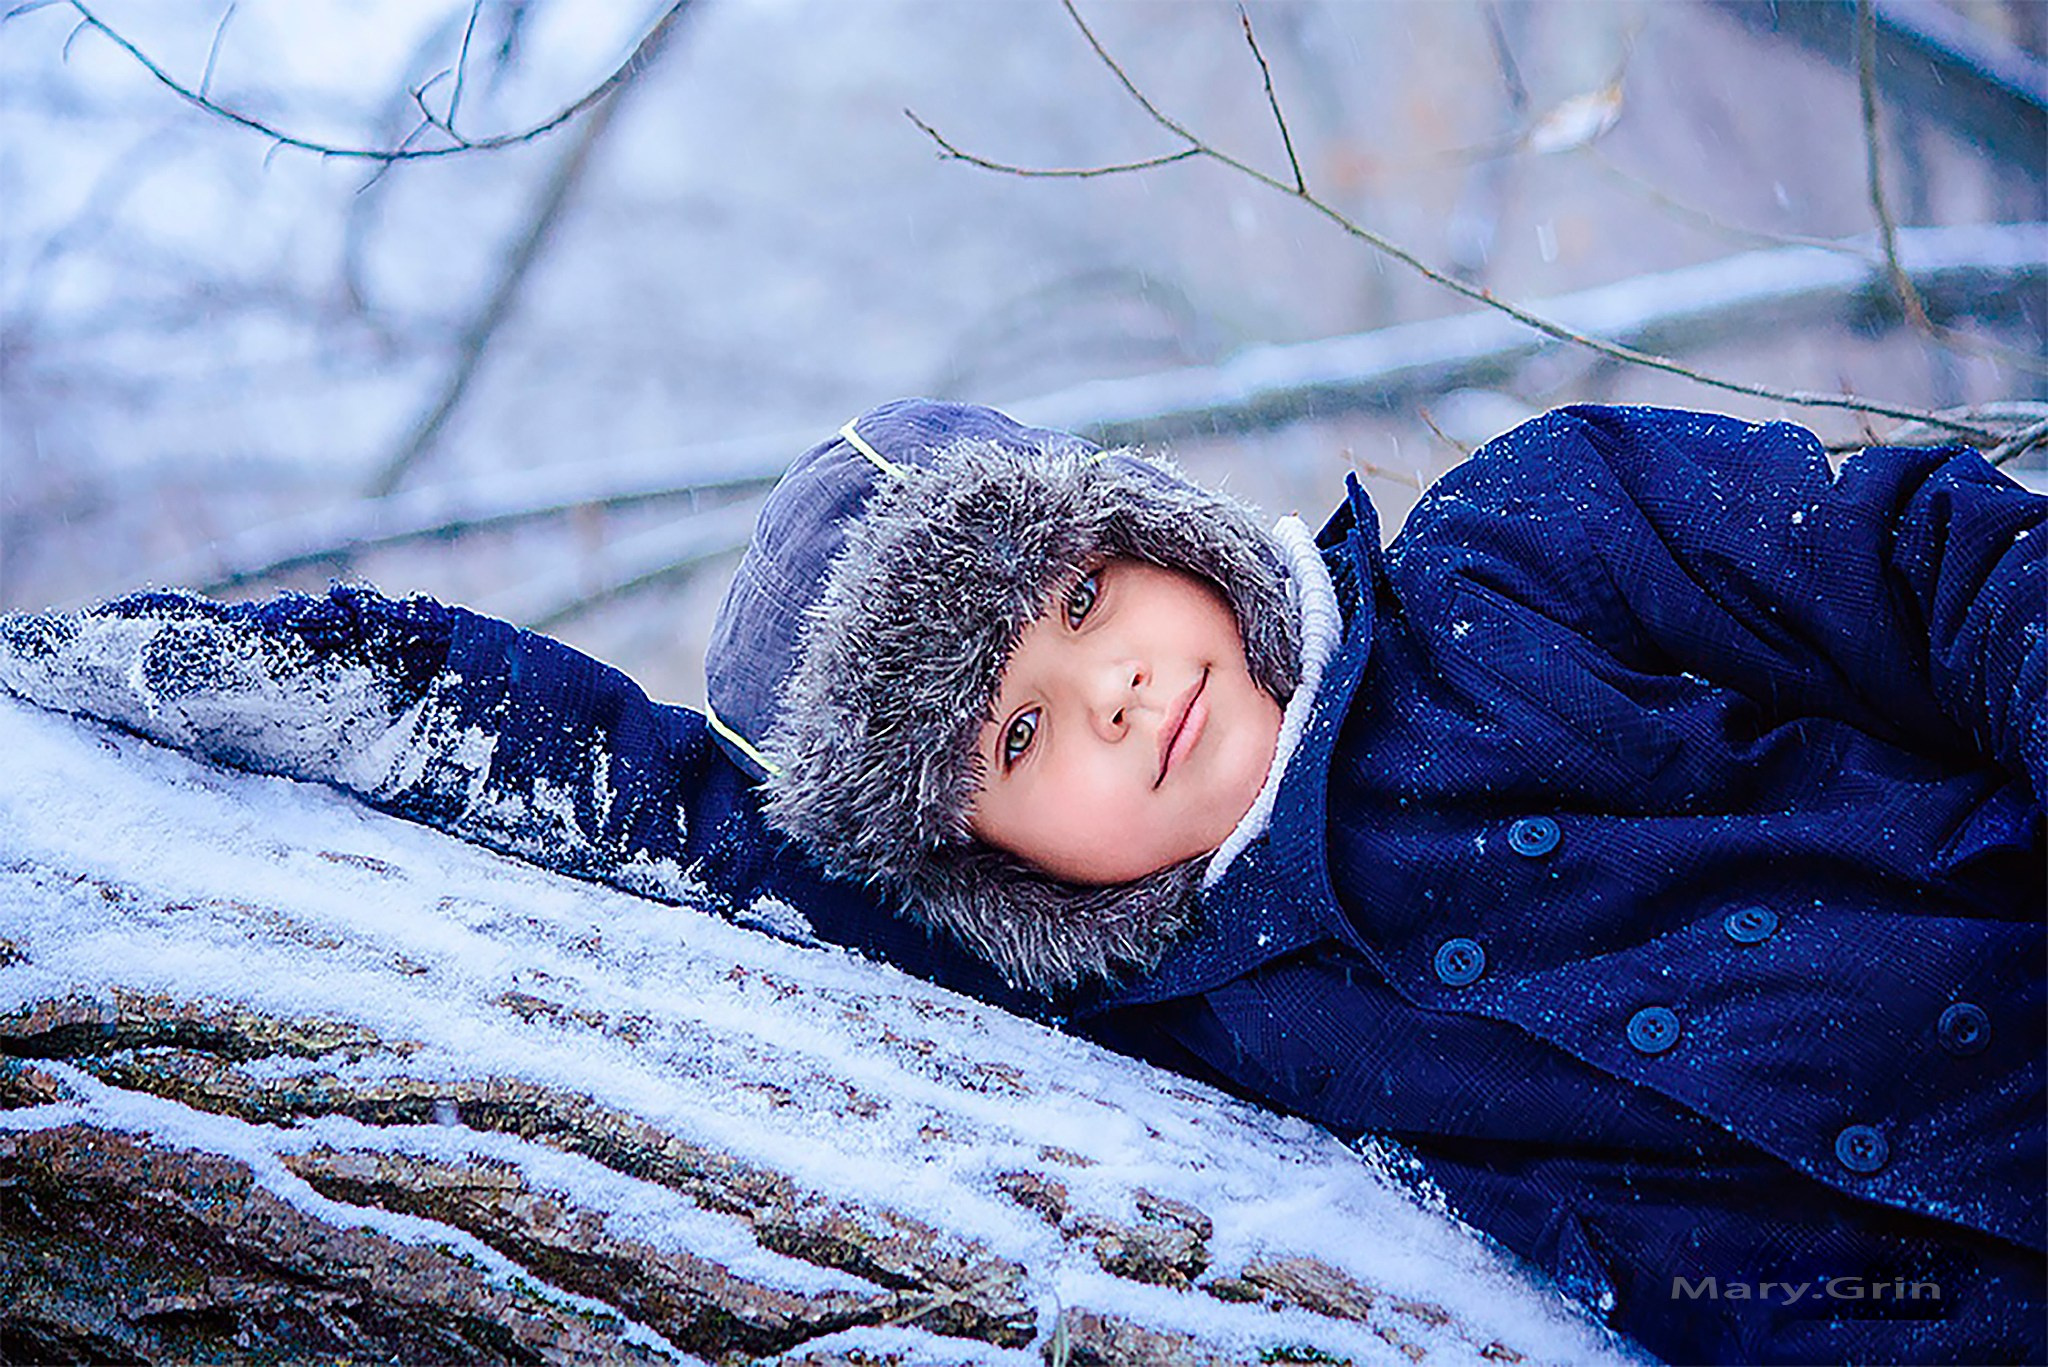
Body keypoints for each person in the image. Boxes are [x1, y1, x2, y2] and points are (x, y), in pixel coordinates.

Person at [0, 398, 2040, 1364]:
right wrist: (363, 682)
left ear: (1141, 525)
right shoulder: (1166, 1006)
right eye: (1016, 736)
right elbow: (667, 815)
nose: (1115, 683)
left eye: (1077, 595)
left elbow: (1933, 564)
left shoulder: (1526, 545)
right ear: (986, 853)